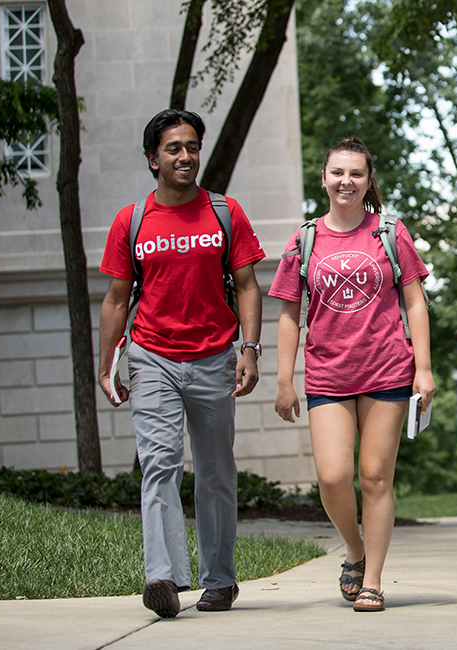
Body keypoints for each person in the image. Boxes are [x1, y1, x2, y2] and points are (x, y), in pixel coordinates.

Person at [97, 109, 265, 618]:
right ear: (153, 159)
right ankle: (162, 577)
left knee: (215, 472)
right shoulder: (132, 221)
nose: (185, 156)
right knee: (160, 464)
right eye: (173, 148)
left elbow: (249, 286)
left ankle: (219, 580)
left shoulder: (224, 213)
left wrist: (250, 350)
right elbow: (115, 298)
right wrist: (105, 365)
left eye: (191, 146)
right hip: (152, 357)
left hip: (215, 356)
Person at [269, 137, 435, 613]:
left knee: (375, 476)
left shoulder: (389, 231)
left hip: (387, 369)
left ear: (368, 182)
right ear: (323, 179)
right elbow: (287, 314)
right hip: (328, 375)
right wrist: (284, 378)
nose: (346, 181)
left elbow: (414, 300)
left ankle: (374, 581)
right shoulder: (305, 240)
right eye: (337, 173)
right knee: (334, 476)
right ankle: (355, 550)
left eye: (356, 174)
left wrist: (423, 368)